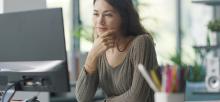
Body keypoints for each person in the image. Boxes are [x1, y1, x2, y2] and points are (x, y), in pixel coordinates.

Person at [75, 0, 158, 101]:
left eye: (108, 15)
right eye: (96, 14)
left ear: (124, 17)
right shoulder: (100, 48)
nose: (100, 21)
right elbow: (82, 98)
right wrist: (92, 56)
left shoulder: (142, 43)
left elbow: (137, 97)